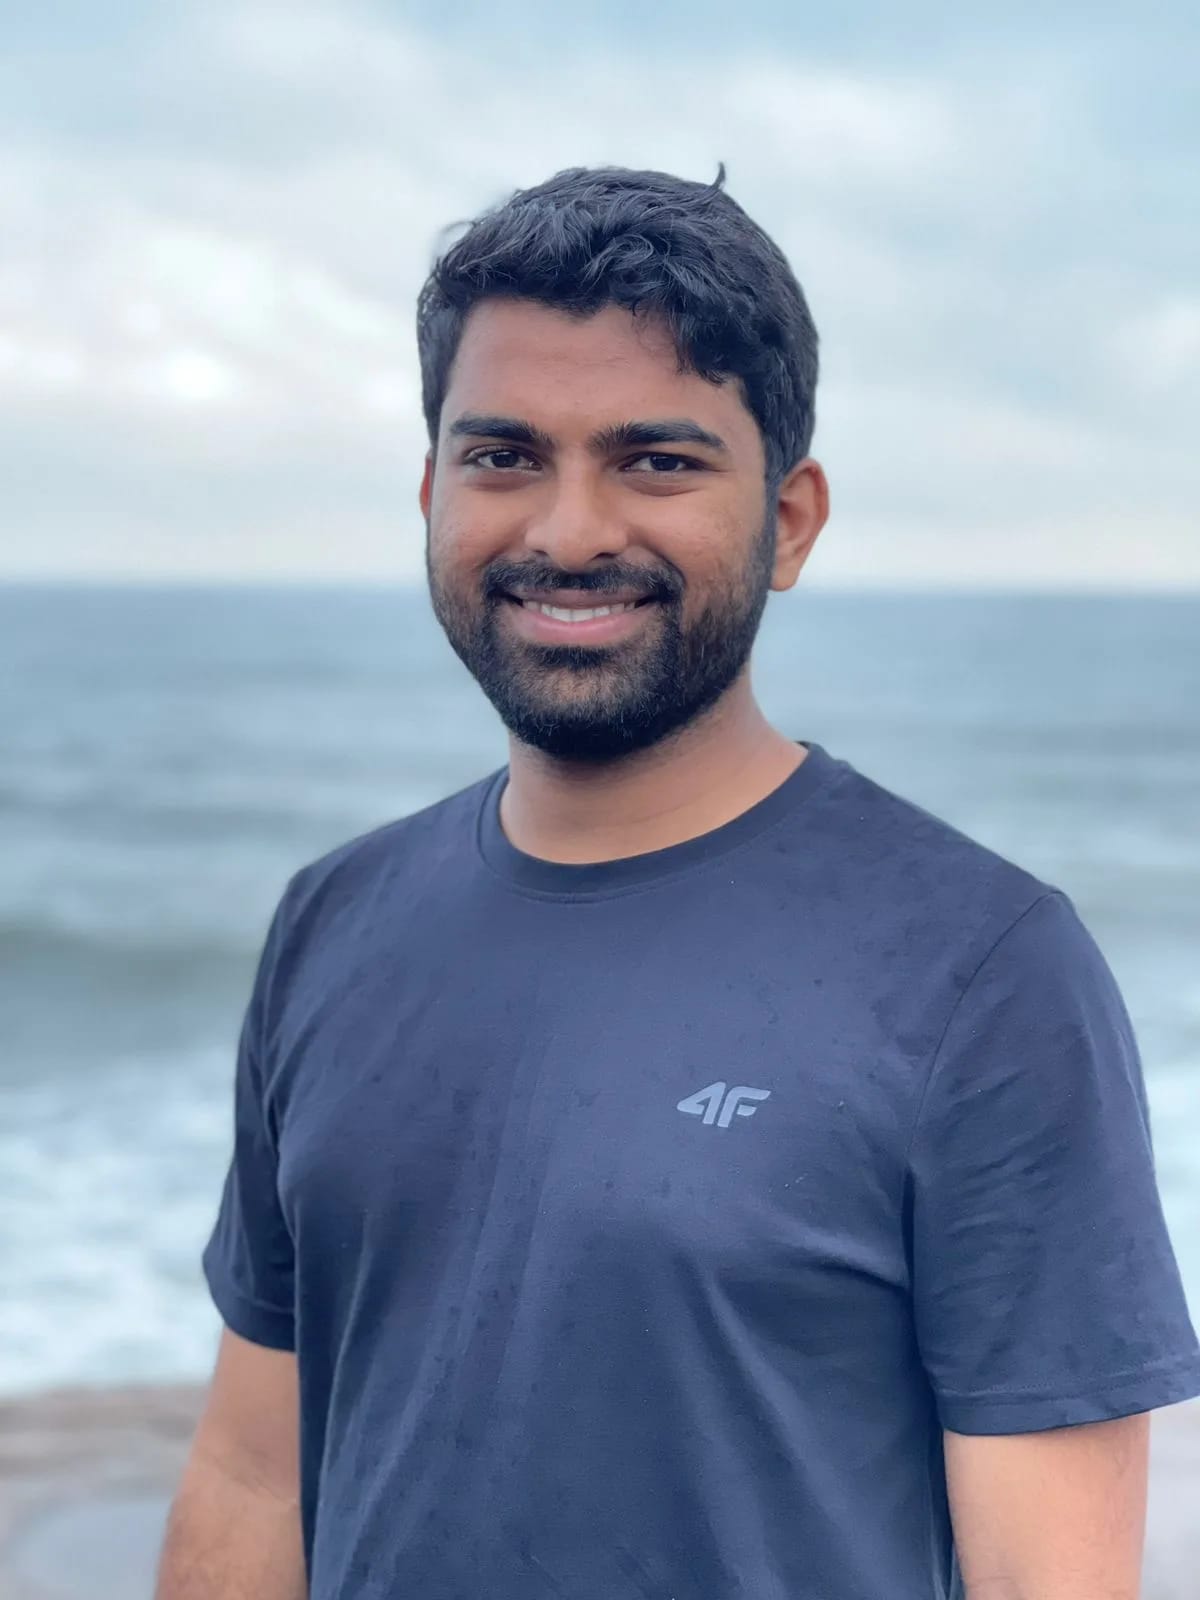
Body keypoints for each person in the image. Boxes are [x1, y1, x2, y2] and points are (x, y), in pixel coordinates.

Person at [155, 166, 1200, 1600]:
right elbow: (254, 1472)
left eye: (657, 461)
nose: (570, 532)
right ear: (431, 491)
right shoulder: (333, 921)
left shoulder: (983, 972)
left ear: (790, 518)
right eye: (505, 455)